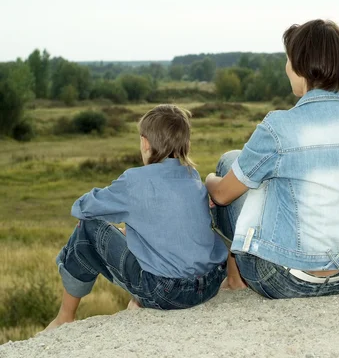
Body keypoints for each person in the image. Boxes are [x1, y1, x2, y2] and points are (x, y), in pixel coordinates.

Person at [206, 19, 339, 299]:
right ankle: (236, 277)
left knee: (230, 163)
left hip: (283, 278)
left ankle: (235, 279)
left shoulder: (279, 126)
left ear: (301, 65)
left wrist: (210, 182)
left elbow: (223, 196)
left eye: (288, 58)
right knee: (274, 178)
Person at [46, 104, 228, 331]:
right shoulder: (192, 175)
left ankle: (64, 317)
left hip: (167, 293)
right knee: (145, 240)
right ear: (185, 144)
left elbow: (83, 209)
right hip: (210, 283)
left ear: (145, 143)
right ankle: (138, 300)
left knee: (88, 228)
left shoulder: (135, 181)